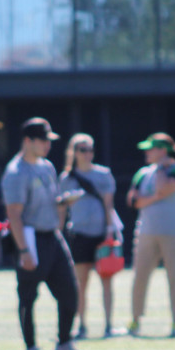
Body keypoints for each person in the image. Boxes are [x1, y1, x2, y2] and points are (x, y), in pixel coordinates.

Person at [2, 117, 87, 350]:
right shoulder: (16, 172)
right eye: (43, 141)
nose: (47, 146)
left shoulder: (47, 167)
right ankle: (31, 348)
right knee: (28, 296)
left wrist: (64, 201)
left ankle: (64, 343)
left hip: (52, 236)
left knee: (70, 292)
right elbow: (14, 214)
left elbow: (52, 199)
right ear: (28, 141)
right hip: (30, 238)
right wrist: (24, 250)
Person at [127, 133, 175, 338]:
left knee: (174, 277)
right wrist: (154, 198)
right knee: (140, 276)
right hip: (147, 231)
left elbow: (163, 188)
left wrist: (162, 170)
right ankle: (135, 319)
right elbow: (133, 201)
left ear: (163, 151)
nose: (147, 153)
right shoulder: (142, 173)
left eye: (151, 149)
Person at [61, 133, 120, 339]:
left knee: (106, 280)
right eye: (82, 150)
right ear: (74, 152)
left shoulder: (104, 174)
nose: (87, 154)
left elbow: (108, 204)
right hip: (79, 234)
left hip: (101, 234)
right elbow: (61, 210)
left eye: (90, 150)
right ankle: (82, 325)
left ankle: (108, 325)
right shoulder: (67, 178)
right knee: (81, 283)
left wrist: (110, 231)